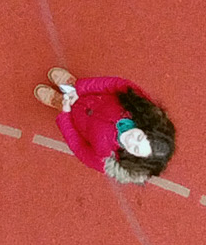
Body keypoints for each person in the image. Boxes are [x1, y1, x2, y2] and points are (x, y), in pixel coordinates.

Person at [35, 67, 176, 181]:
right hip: (89, 93)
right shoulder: (139, 106)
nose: (131, 140)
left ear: (135, 158)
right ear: (146, 128)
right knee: (79, 88)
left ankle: (60, 102)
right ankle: (71, 85)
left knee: (65, 106)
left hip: (73, 117)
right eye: (139, 137)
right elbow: (115, 84)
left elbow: (79, 148)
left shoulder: (109, 161)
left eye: (136, 149)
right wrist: (80, 88)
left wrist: (65, 114)